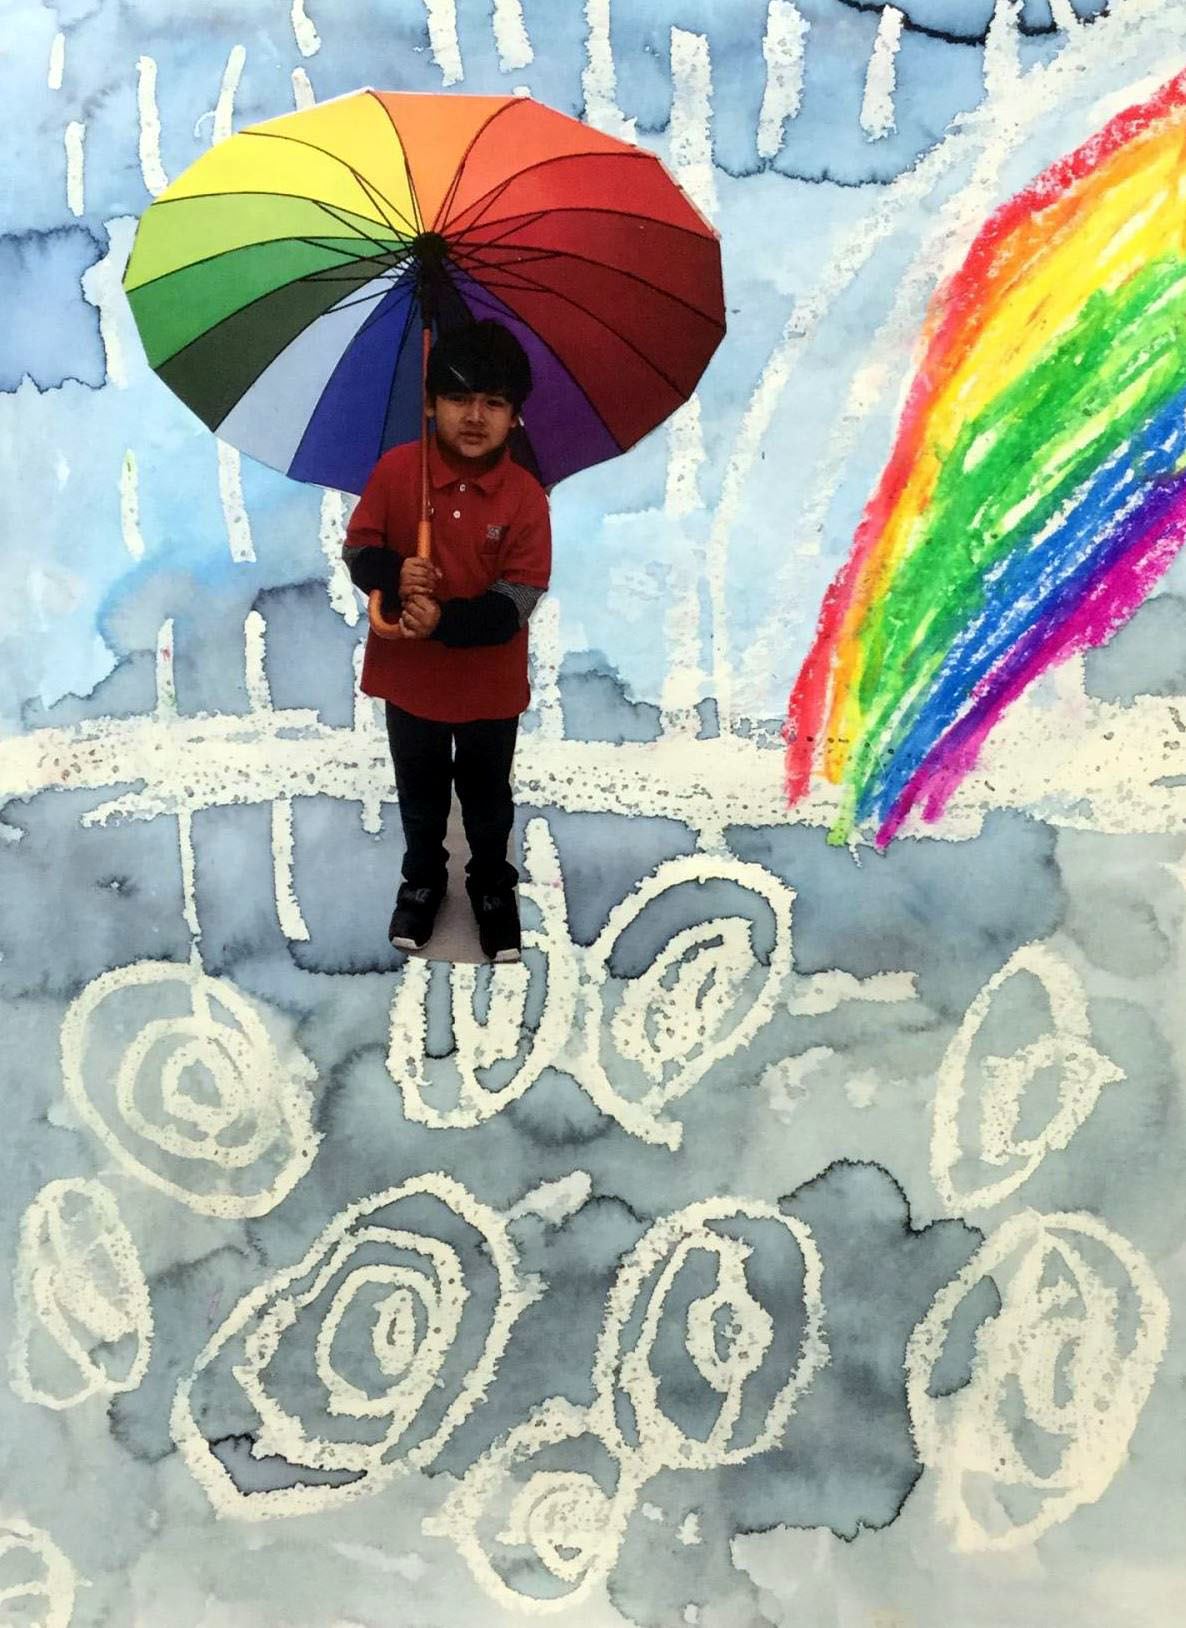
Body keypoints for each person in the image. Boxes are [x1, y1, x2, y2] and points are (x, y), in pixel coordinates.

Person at [342, 320, 550, 963]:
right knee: (422, 795)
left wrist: (446, 622)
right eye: (458, 398)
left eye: (494, 402)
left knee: (487, 799)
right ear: (430, 402)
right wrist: (391, 572)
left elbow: (518, 599)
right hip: (410, 682)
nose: (475, 416)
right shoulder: (397, 471)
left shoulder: (525, 497)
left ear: (515, 416)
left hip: (489, 688)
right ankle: (422, 879)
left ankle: (491, 885)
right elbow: (358, 549)